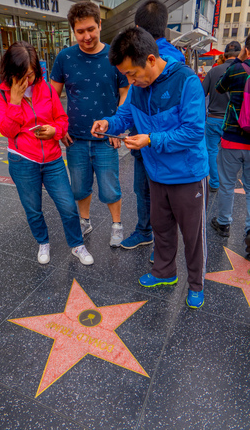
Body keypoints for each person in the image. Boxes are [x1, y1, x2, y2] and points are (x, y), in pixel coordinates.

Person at [91, 27, 209, 308]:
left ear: (152, 60)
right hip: (156, 174)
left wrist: (152, 139)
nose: (130, 80)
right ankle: (164, 272)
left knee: (193, 236)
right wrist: (109, 123)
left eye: (132, 73)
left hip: (187, 175)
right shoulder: (138, 87)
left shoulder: (187, 82)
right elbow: (125, 114)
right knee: (161, 227)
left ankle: (196, 283)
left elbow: (193, 131)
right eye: (126, 76)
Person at [0, 41, 94, 266]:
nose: (27, 80)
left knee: (68, 206)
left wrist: (54, 131)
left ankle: (77, 245)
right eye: (22, 75)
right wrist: (15, 101)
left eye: (31, 74)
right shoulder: (1, 93)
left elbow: (62, 119)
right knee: (33, 209)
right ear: (11, 71)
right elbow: (7, 130)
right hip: (22, 160)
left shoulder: (46, 88)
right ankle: (43, 242)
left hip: (52, 158)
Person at [50, 1, 129, 247]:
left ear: (100, 24)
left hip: (107, 138)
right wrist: (59, 128)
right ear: (73, 30)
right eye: (80, 31)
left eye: (91, 29)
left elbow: (125, 93)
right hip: (75, 138)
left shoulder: (115, 56)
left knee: (110, 187)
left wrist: (117, 127)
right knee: (79, 188)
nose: (86, 36)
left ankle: (117, 224)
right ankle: (85, 221)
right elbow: (52, 97)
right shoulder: (64, 57)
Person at [120, 0, 185, 252]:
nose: (132, 79)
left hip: (153, 140)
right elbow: (128, 108)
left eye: (133, 74)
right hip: (153, 140)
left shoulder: (160, 61)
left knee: (154, 193)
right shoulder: (178, 57)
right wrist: (114, 122)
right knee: (152, 192)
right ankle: (151, 236)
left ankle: (156, 240)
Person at [210, 35, 250, 256]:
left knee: (226, 183)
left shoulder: (236, 70)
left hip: (233, 138)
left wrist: (238, 60)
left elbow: (218, 87)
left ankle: (224, 222)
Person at [202, 41, 241, 192]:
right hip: (233, 120)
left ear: (224, 56)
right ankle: (227, 184)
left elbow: (201, 93)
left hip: (213, 118)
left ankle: (215, 183)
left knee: (211, 151)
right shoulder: (243, 70)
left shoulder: (213, 71)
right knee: (229, 152)